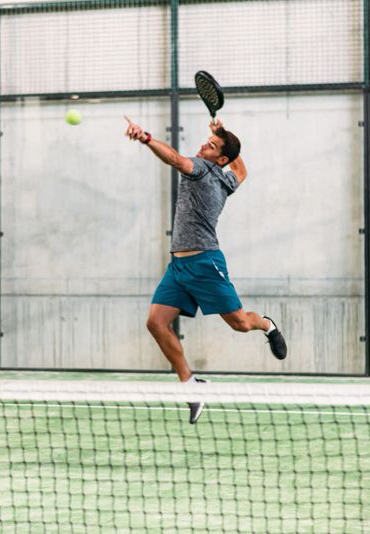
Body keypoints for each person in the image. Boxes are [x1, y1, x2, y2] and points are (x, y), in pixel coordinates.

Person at [124, 116, 287, 424]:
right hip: (179, 266)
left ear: (220, 159)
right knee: (156, 323)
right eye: (207, 141)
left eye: (211, 146)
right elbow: (241, 169)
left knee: (240, 323)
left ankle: (267, 325)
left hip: (206, 264)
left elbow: (173, 158)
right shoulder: (228, 180)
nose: (203, 145)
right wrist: (220, 135)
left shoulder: (200, 170)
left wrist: (145, 138)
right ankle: (191, 386)